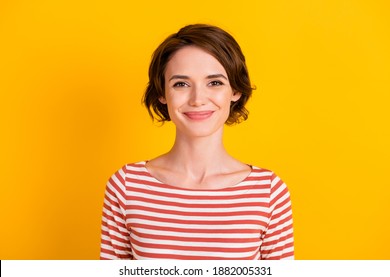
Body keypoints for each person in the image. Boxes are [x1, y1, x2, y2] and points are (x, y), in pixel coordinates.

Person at [100, 24, 294, 260]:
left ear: (235, 90)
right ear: (162, 93)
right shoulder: (127, 185)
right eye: (181, 84)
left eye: (215, 83)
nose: (198, 99)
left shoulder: (268, 191)